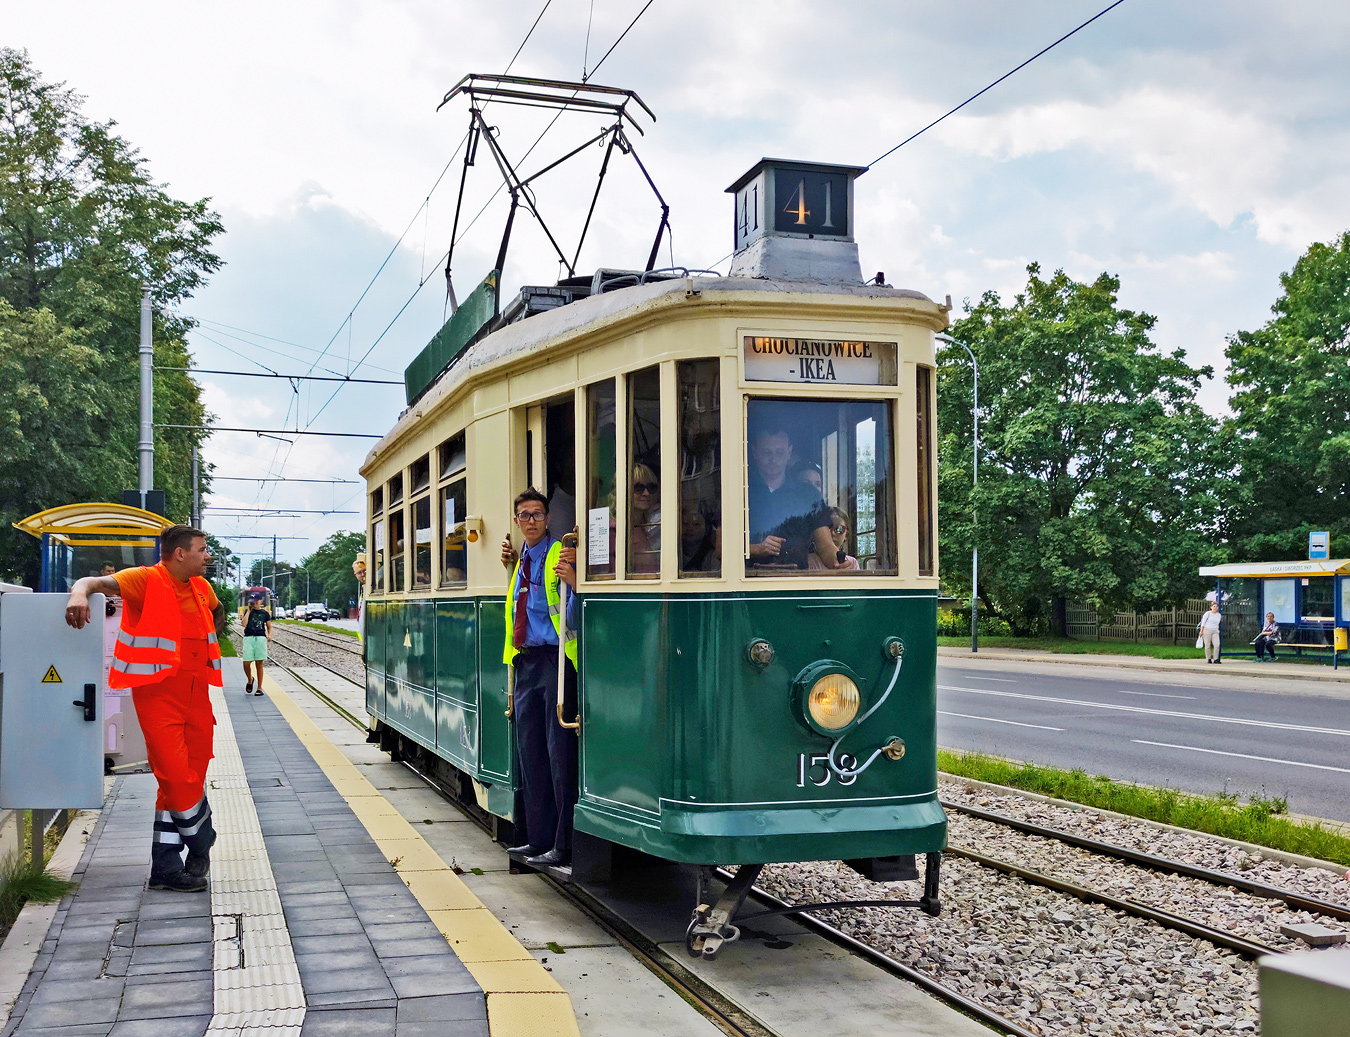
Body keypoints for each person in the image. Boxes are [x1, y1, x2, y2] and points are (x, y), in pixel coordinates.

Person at [64, 525, 225, 892]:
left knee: (188, 779)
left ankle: (166, 871)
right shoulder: (144, 580)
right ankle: (203, 838)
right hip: (158, 695)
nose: (208, 555)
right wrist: (77, 595)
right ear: (180, 553)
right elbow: (92, 582)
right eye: (202, 549)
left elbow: (216, 614)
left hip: (197, 694)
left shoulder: (202, 588)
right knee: (172, 774)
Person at [499, 489, 581, 869]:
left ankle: (562, 846)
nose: (530, 520)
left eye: (536, 514)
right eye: (523, 515)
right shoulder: (521, 561)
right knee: (530, 755)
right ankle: (538, 840)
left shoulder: (557, 556)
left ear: (547, 519)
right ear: (516, 522)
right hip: (526, 662)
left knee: (557, 756)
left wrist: (577, 583)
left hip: (555, 662)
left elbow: (569, 610)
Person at [746, 424, 831, 569]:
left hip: (795, 584)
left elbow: (825, 546)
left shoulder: (808, 495)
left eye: (779, 452)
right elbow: (722, 547)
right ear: (755, 453)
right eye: (767, 452)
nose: (773, 459)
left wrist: (838, 561)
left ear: (789, 453)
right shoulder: (739, 491)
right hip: (748, 583)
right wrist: (755, 549)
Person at [630, 463, 661, 573]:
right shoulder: (615, 530)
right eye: (638, 488)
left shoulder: (641, 528)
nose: (646, 493)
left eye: (651, 488)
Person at [241, 591, 272, 694]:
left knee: (259, 662)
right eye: (252, 602)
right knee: (246, 662)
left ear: (260, 601)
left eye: (255, 602)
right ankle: (250, 679)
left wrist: (270, 635)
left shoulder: (265, 613)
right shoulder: (248, 612)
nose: (254, 604)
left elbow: (269, 626)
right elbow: (243, 624)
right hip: (249, 637)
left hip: (260, 637)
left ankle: (259, 688)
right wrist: (249, 611)